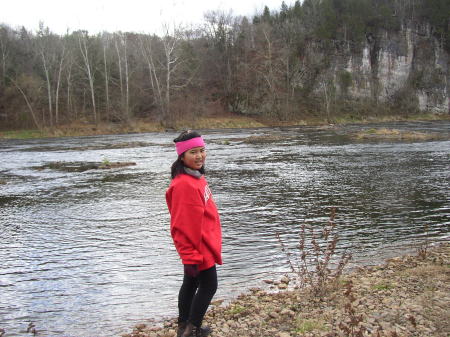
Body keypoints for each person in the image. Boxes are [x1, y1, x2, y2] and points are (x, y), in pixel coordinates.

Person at [166, 130, 223, 337]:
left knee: (190, 283)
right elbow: (182, 225)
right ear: (182, 156)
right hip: (199, 247)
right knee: (209, 286)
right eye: (193, 152)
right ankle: (192, 330)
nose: (200, 156)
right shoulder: (184, 185)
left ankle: (184, 328)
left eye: (202, 150)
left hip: (205, 242)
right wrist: (190, 256)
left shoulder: (196, 177)